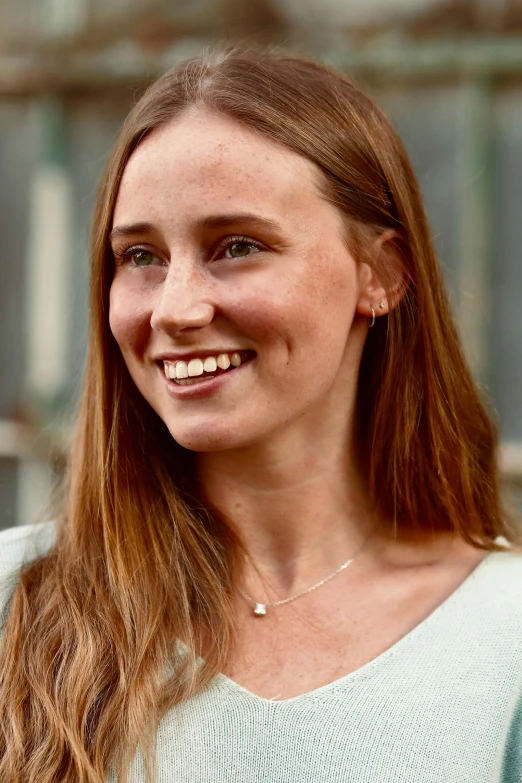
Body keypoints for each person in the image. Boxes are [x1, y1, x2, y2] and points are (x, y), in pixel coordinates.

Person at [0, 46, 521, 783]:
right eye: (140, 255)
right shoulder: (15, 600)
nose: (176, 308)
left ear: (381, 273)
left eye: (237, 247)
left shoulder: (504, 635)